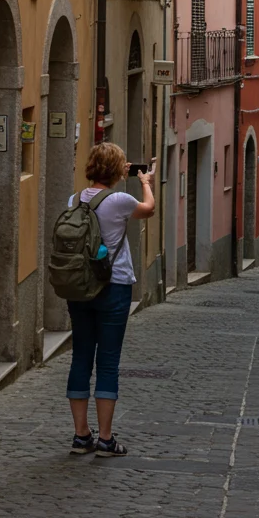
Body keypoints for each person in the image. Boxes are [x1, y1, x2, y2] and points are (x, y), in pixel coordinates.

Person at [66, 142, 155, 457]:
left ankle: (80, 436)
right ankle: (105, 439)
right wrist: (145, 182)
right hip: (113, 287)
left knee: (80, 358)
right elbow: (149, 209)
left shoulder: (75, 199)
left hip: (79, 288)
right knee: (107, 362)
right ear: (118, 170)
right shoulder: (120, 200)